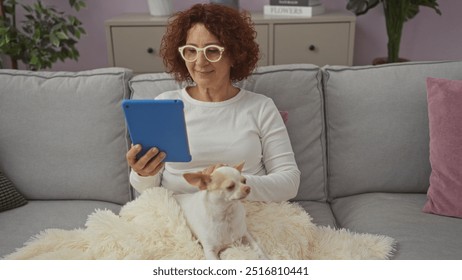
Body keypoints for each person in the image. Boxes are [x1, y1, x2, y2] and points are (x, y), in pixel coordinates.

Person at [126, 3, 300, 202]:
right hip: (177, 214)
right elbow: (146, 189)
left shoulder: (261, 107)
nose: (200, 62)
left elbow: (290, 183)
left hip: (246, 211)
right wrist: (142, 173)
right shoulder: (165, 104)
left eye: (212, 50)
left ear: (234, 55)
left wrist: (230, 181)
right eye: (191, 51)